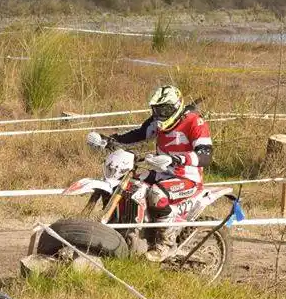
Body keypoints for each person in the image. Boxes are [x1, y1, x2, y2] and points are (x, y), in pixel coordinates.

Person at [86, 85, 213, 261]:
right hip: (162, 173)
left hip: (187, 178)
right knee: (128, 185)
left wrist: (177, 159)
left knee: (156, 194)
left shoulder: (194, 122)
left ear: (176, 106)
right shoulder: (157, 122)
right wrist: (110, 139)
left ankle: (166, 245)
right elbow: (137, 134)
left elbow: (205, 155)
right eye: (156, 109)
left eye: (164, 109)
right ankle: (127, 230)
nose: (160, 114)